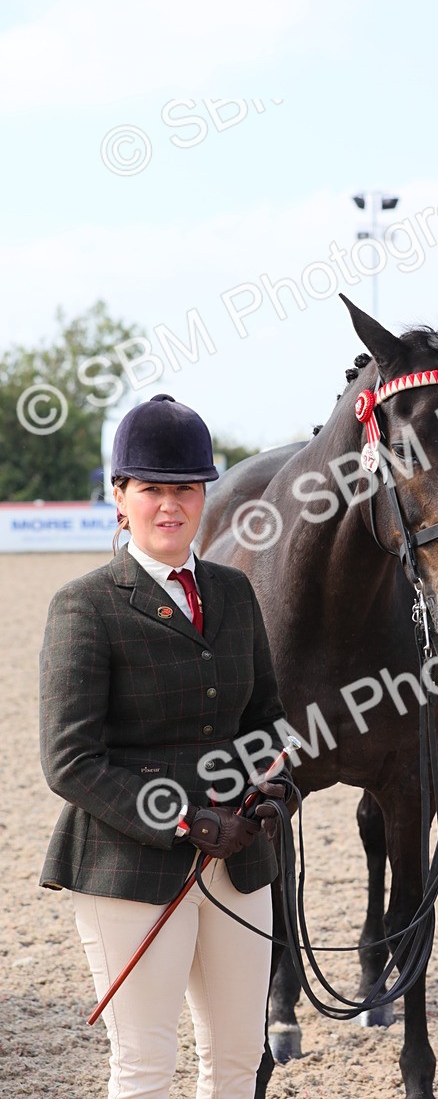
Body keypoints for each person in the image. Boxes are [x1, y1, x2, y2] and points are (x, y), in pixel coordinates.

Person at [39, 393, 288, 1099]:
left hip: (239, 861)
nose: (170, 505)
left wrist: (271, 791)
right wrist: (185, 819)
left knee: (239, 1059)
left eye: (185, 488)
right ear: (120, 497)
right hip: (130, 866)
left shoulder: (236, 594)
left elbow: (267, 718)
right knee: (147, 1065)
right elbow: (70, 759)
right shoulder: (85, 604)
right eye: (152, 489)